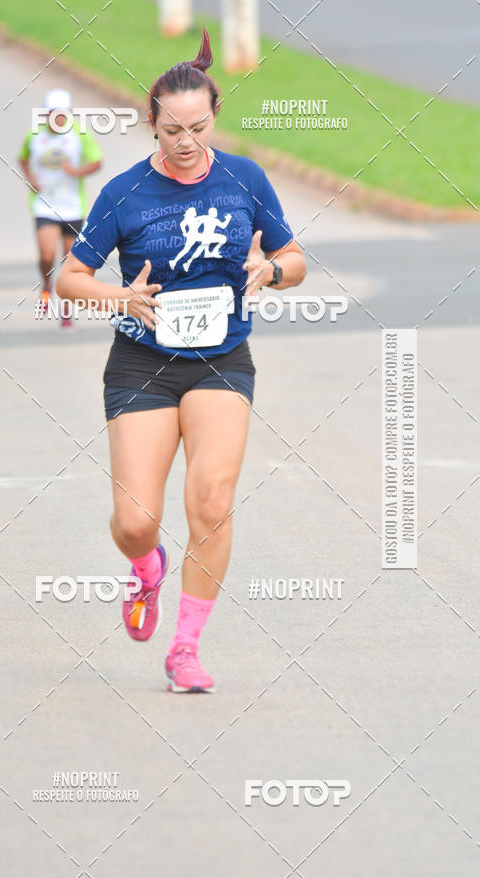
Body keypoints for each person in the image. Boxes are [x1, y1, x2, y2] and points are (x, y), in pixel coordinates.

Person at [56, 28, 306, 692]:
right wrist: (120, 296)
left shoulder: (245, 179)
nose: (187, 141)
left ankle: (186, 648)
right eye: (173, 130)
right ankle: (146, 570)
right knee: (135, 520)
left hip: (222, 359)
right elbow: (68, 278)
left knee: (213, 500)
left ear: (214, 117)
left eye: (198, 126)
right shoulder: (124, 192)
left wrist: (270, 271)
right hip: (142, 363)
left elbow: (296, 259)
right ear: (153, 125)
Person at [19, 89, 102, 328]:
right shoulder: (34, 135)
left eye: (63, 114)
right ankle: (46, 286)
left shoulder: (80, 134)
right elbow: (23, 158)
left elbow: (96, 161)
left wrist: (76, 172)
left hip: (73, 207)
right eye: (53, 114)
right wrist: (31, 178)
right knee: (46, 255)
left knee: (69, 261)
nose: (58, 118)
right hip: (44, 204)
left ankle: (65, 308)